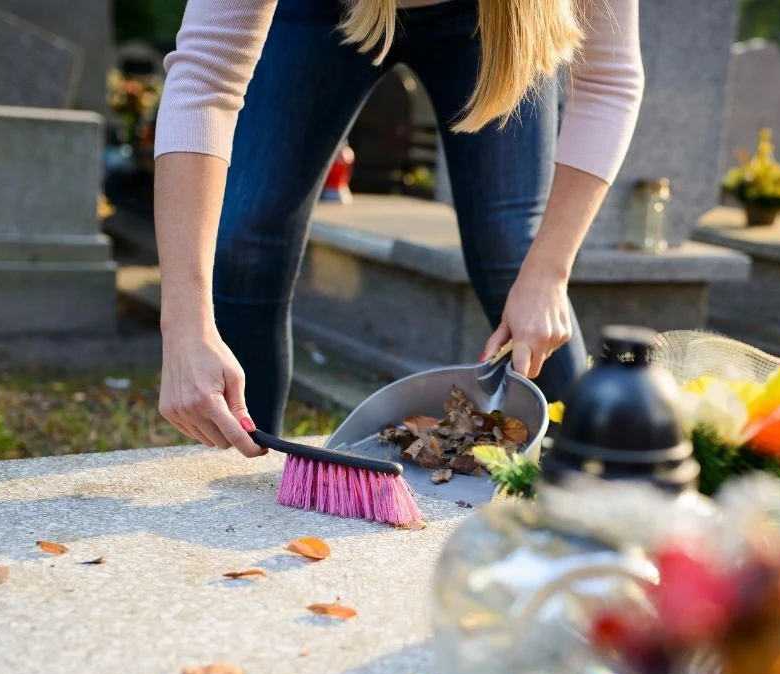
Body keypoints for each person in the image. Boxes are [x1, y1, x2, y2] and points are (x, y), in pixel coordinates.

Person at [153, 0, 643, 457]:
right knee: (245, 236)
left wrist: (548, 274)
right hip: (316, 10)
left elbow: (608, 81)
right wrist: (185, 327)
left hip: (495, 18)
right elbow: (205, 78)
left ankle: (592, 468)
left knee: (514, 250)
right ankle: (238, 475)